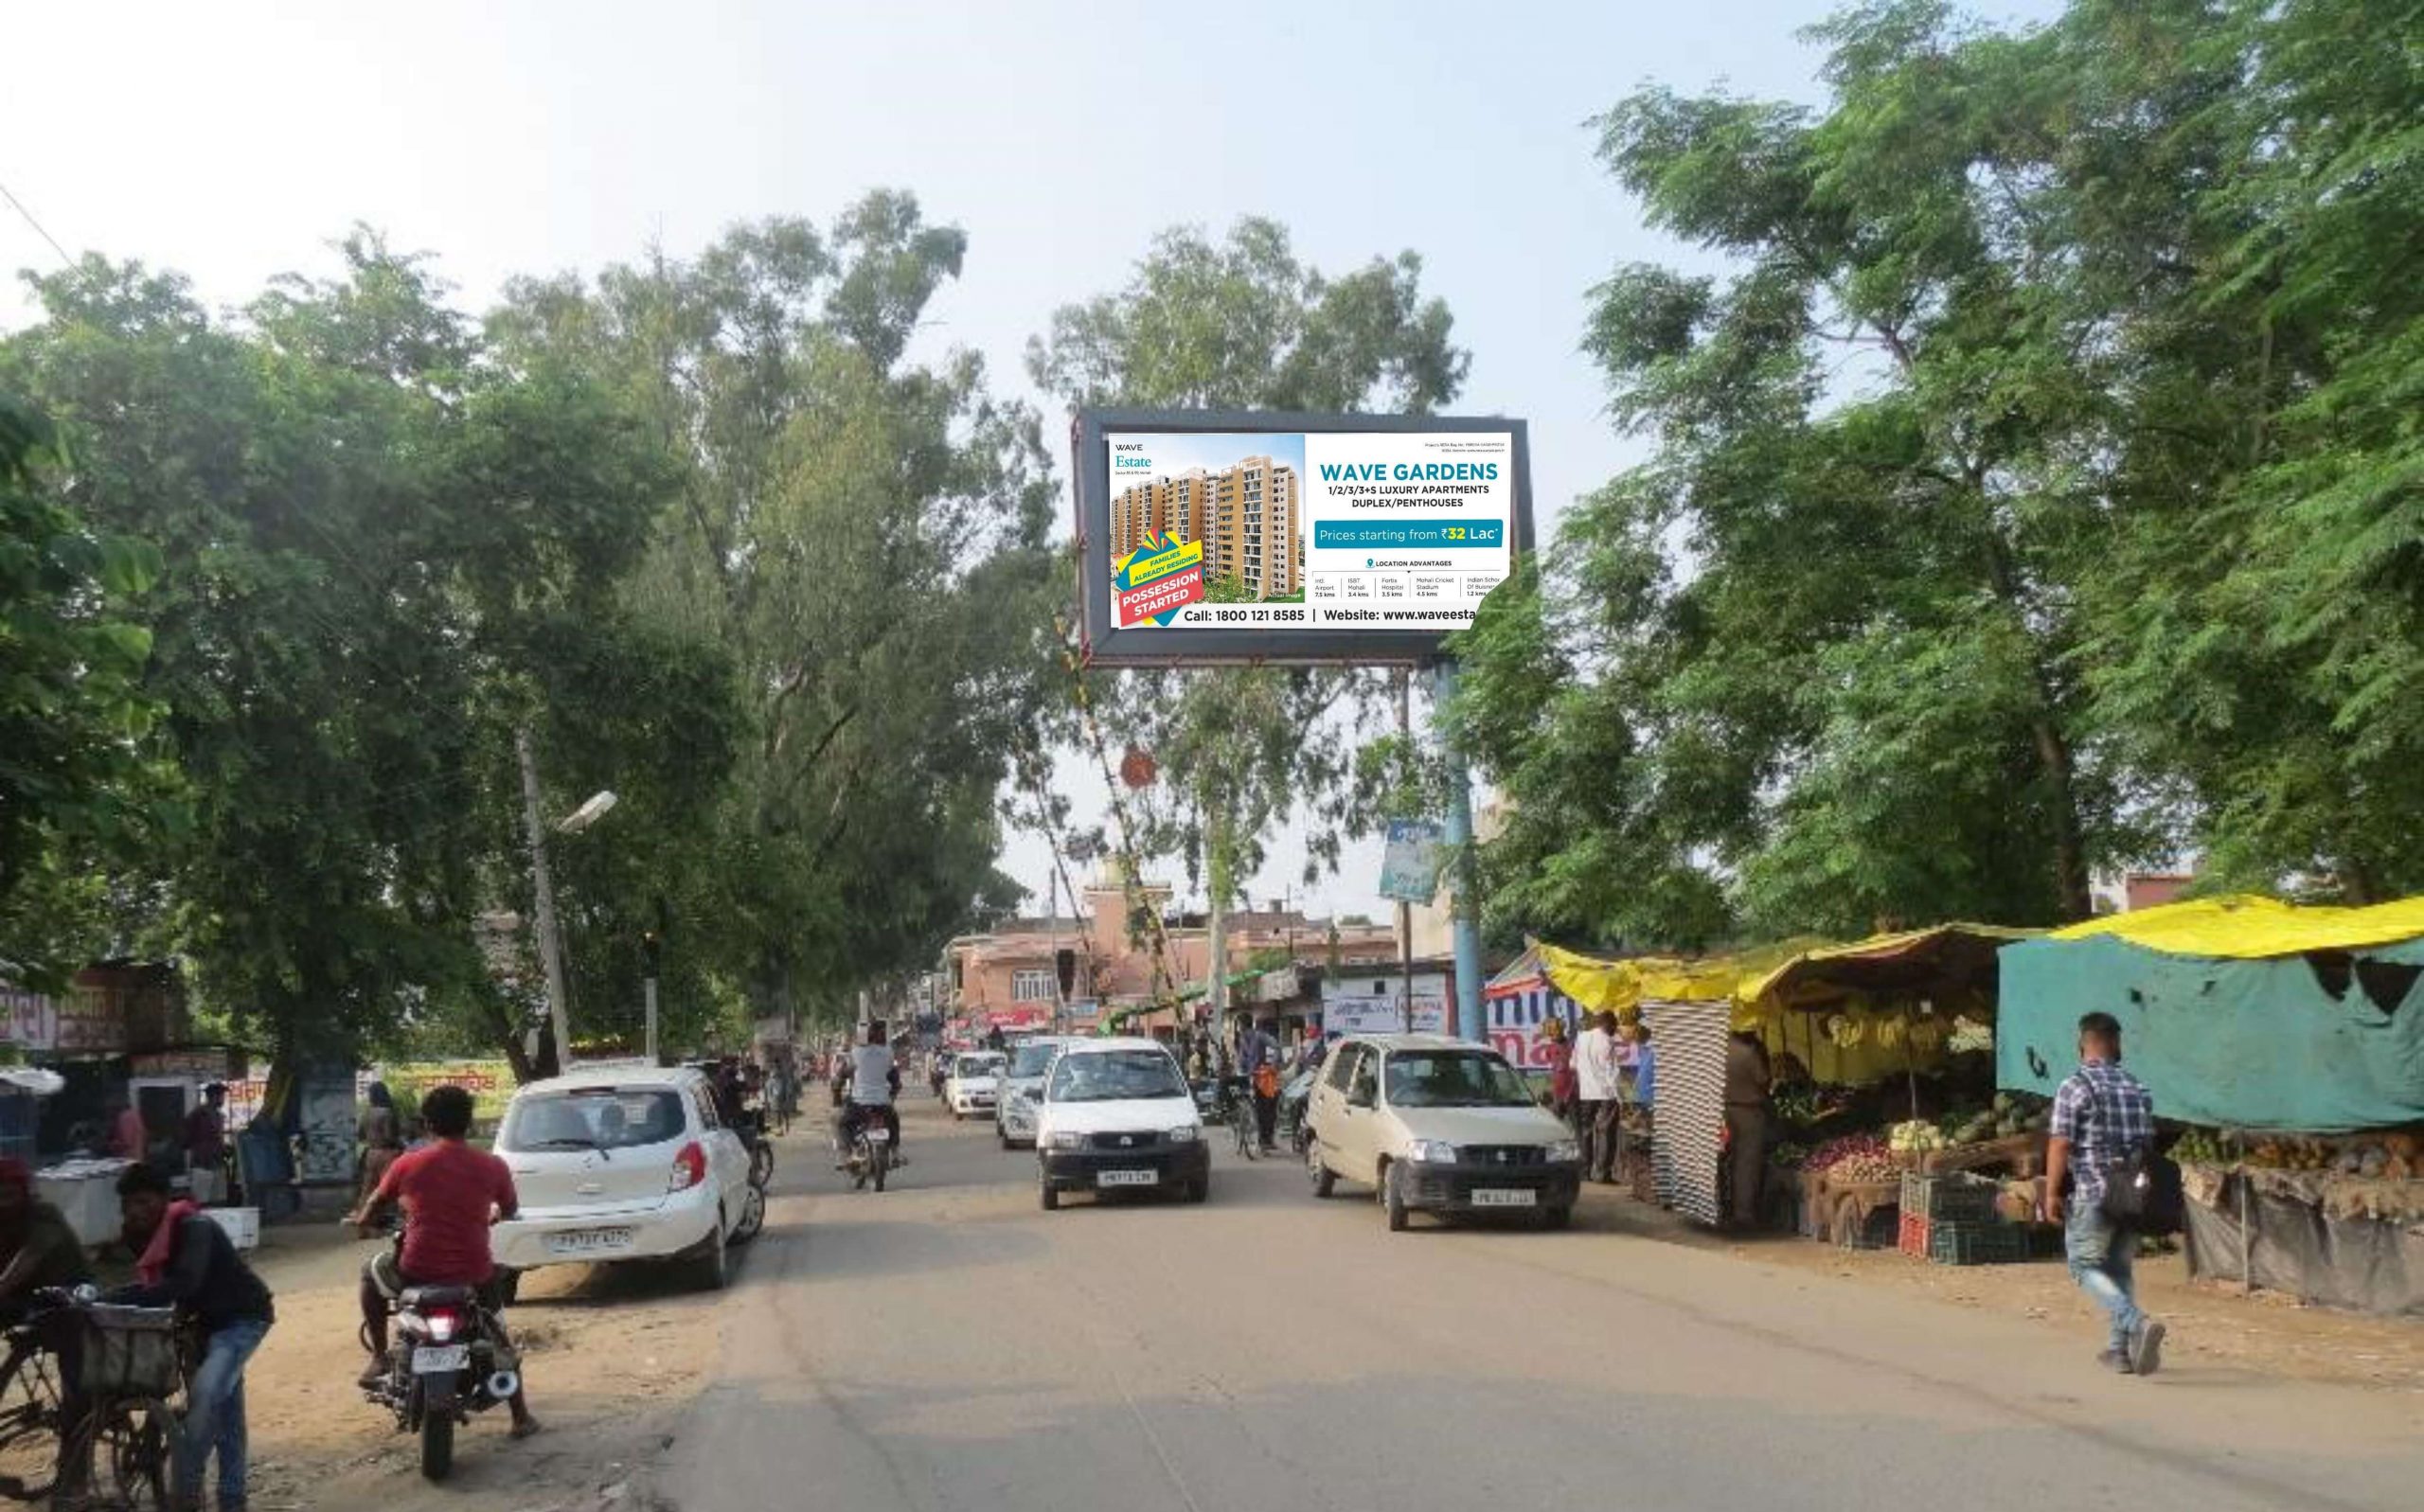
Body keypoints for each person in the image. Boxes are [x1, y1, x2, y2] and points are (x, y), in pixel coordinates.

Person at [348, 1085, 539, 1435]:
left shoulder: (408, 1163)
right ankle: (520, 1416)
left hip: (415, 1271)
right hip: (475, 1273)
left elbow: (374, 1204)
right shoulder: (492, 1165)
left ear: (428, 1124)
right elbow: (509, 1209)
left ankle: (378, 1356)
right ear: (467, 1123)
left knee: (369, 1273)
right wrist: (491, 1215)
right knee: (498, 1338)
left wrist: (362, 1221)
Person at [112, 1161, 276, 1512]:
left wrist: (118, 1297)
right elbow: (153, 1287)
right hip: (202, 1327)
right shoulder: (135, 1234)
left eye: (144, 1202)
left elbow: (185, 1283)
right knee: (227, 1413)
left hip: (242, 1319)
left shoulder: (194, 1226)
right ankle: (233, 1499)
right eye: (129, 1204)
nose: (136, 1212)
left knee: (205, 1397)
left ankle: (185, 1492)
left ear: (163, 1199)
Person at [2042, 1011, 2166, 1377]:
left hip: (2095, 1190)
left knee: (2083, 1266)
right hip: (2132, 1195)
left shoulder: (2074, 1086)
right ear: (2116, 1044)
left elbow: (2060, 1143)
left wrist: (2050, 1193)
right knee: (2119, 1267)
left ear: (2083, 1044)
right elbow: (2148, 1142)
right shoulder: (2138, 1088)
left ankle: (2134, 1321)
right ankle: (2119, 1351)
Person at [834, 1020, 903, 1165]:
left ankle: (846, 1154)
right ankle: (895, 1153)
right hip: (883, 1104)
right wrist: (891, 1096)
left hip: (859, 1103)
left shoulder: (856, 1052)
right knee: (894, 1121)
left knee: (841, 1124)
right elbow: (894, 1079)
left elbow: (842, 1075)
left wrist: (837, 1094)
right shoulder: (888, 1052)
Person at [1722, 1030, 1773, 1230]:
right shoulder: (1748, 1052)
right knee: (1746, 1163)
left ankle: (1720, 1208)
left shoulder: (1717, 1050)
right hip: (1748, 1112)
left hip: (1721, 1112)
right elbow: (1763, 1079)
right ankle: (1743, 1213)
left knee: (1721, 1162)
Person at [1573, 1011, 1622, 1183]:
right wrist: (1618, 1096)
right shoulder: (1606, 1041)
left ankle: (1585, 1172)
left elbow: (1573, 1064)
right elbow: (1611, 1071)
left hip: (1586, 1092)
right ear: (1606, 1023)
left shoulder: (1582, 1038)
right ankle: (1603, 1174)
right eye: (1614, 1024)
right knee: (1606, 1133)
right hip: (1606, 1093)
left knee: (1586, 1132)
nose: (1616, 1028)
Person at [1238, 1020, 1281, 1153]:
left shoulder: (1259, 1036)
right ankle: (1265, 1139)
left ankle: (1266, 1139)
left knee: (1267, 1108)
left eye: (1240, 1026)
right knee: (1266, 1109)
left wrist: (1273, 1065)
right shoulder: (1246, 1038)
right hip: (1256, 1077)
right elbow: (1241, 1058)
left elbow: (1276, 1047)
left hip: (1261, 1076)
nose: (1240, 1029)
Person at [184, 1083, 229, 1204]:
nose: (223, 1099)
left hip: (217, 1164)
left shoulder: (219, 1116)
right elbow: (186, 1139)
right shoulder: (198, 1114)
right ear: (213, 1096)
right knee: (201, 1203)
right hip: (202, 1165)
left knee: (219, 1201)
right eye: (221, 1096)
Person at [1541, 1015, 1577, 1125]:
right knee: (1556, 1126)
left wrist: (1570, 1092)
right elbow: (1553, 1071)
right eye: (1549, 1032)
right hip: (1557, 1094)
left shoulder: (1571, 1046)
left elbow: (1576, 1071)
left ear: (1561, 1029)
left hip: (1572, 1093)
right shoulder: (1550, 1048)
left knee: (1578, 1127)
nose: (1551, 1034)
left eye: (1554, 1030)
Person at [108, 1095, 148, 1162]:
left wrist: (113, 1145)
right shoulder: (136, 1115)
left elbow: (127, 1141)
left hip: (128, 1156)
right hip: (138, 1155)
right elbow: (143, 1134)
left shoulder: (124, 1117)